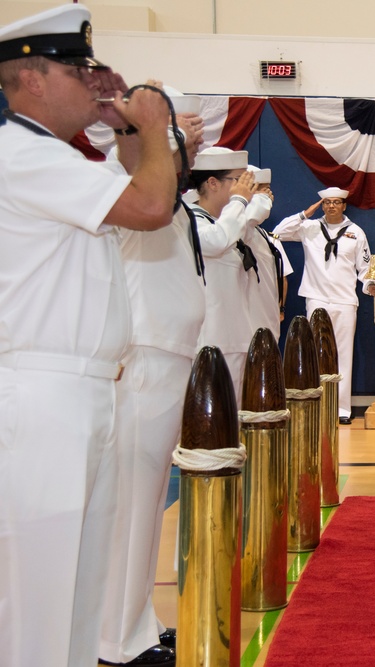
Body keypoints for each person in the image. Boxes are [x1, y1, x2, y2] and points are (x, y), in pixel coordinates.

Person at [0, 5, 177, 666]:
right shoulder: (20, 154)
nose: (96, 83)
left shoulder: (53, 157)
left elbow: (137, 186)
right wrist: (154, 126)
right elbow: (153, 206)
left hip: (86, 393)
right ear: (34, 78)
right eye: (81, 70)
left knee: (81, 585)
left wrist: (129, 127)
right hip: (44, 394)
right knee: (39, 591)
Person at [99, 88, 206, 667]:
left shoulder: (171, 200)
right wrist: (162, 136)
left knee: (143, 502)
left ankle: (133, 623)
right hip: (144, 359)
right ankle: (118, 640)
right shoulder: (140, 196)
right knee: (134, 505)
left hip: (169, 360)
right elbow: (132, 169)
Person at [273, 187, 375, 424]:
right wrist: (304, 214)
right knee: (316, 355)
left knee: (343, 354)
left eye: (336, 202)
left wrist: (369, 285)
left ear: (344, 206)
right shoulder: (309, 228)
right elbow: (278, 233)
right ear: (321, 206)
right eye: (326, 202)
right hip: (316, 298)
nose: (331, 206)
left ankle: (341, 409)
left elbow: (365, 268)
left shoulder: (355, 232)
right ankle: (318, 406)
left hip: (344, 300)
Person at [187, 146, 255, 403]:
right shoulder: (191, 220)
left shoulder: (220, 221)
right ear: (213, 183)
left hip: (232, 335)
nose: (244, 188)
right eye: (237, 181)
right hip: (210, 339)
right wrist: (239, 201)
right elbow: (215, 242)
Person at [245, 166, 293, 338]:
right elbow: (246, 220)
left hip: (267, 317)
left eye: (268, 189)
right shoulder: (235, 230)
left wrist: (280, 308)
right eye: (261, 189)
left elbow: (281, 278)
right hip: (247, 322)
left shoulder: (265, 236)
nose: (268, 195)